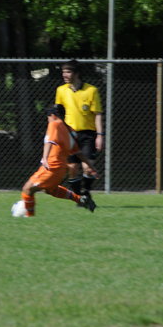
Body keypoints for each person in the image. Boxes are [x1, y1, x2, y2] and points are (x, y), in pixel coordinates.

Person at [18, 104, 98, 217]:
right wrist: (91, 166)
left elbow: (50, 141)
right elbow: (78, 152)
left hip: (52, 165)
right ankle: (80, 199)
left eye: (48, 116)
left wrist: (45, 158)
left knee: (27, 189)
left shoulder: (54, 124)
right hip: (61, 168)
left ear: (53, 115)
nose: (48, 119)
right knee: (51, 190)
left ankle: (29, 217)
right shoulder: (70, 130)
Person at [54, 60, 104, 198]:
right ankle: (77, 196)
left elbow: (97, 114)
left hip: (87, 134)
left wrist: (100, 135)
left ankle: (86, 193)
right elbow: (58, 114)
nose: (64, 74)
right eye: (63, 72)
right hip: (69, 135)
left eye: (68, 71)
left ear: (77, 73)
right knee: (72, 168)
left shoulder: (91, 90)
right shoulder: (61, 90)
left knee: (88, 167)